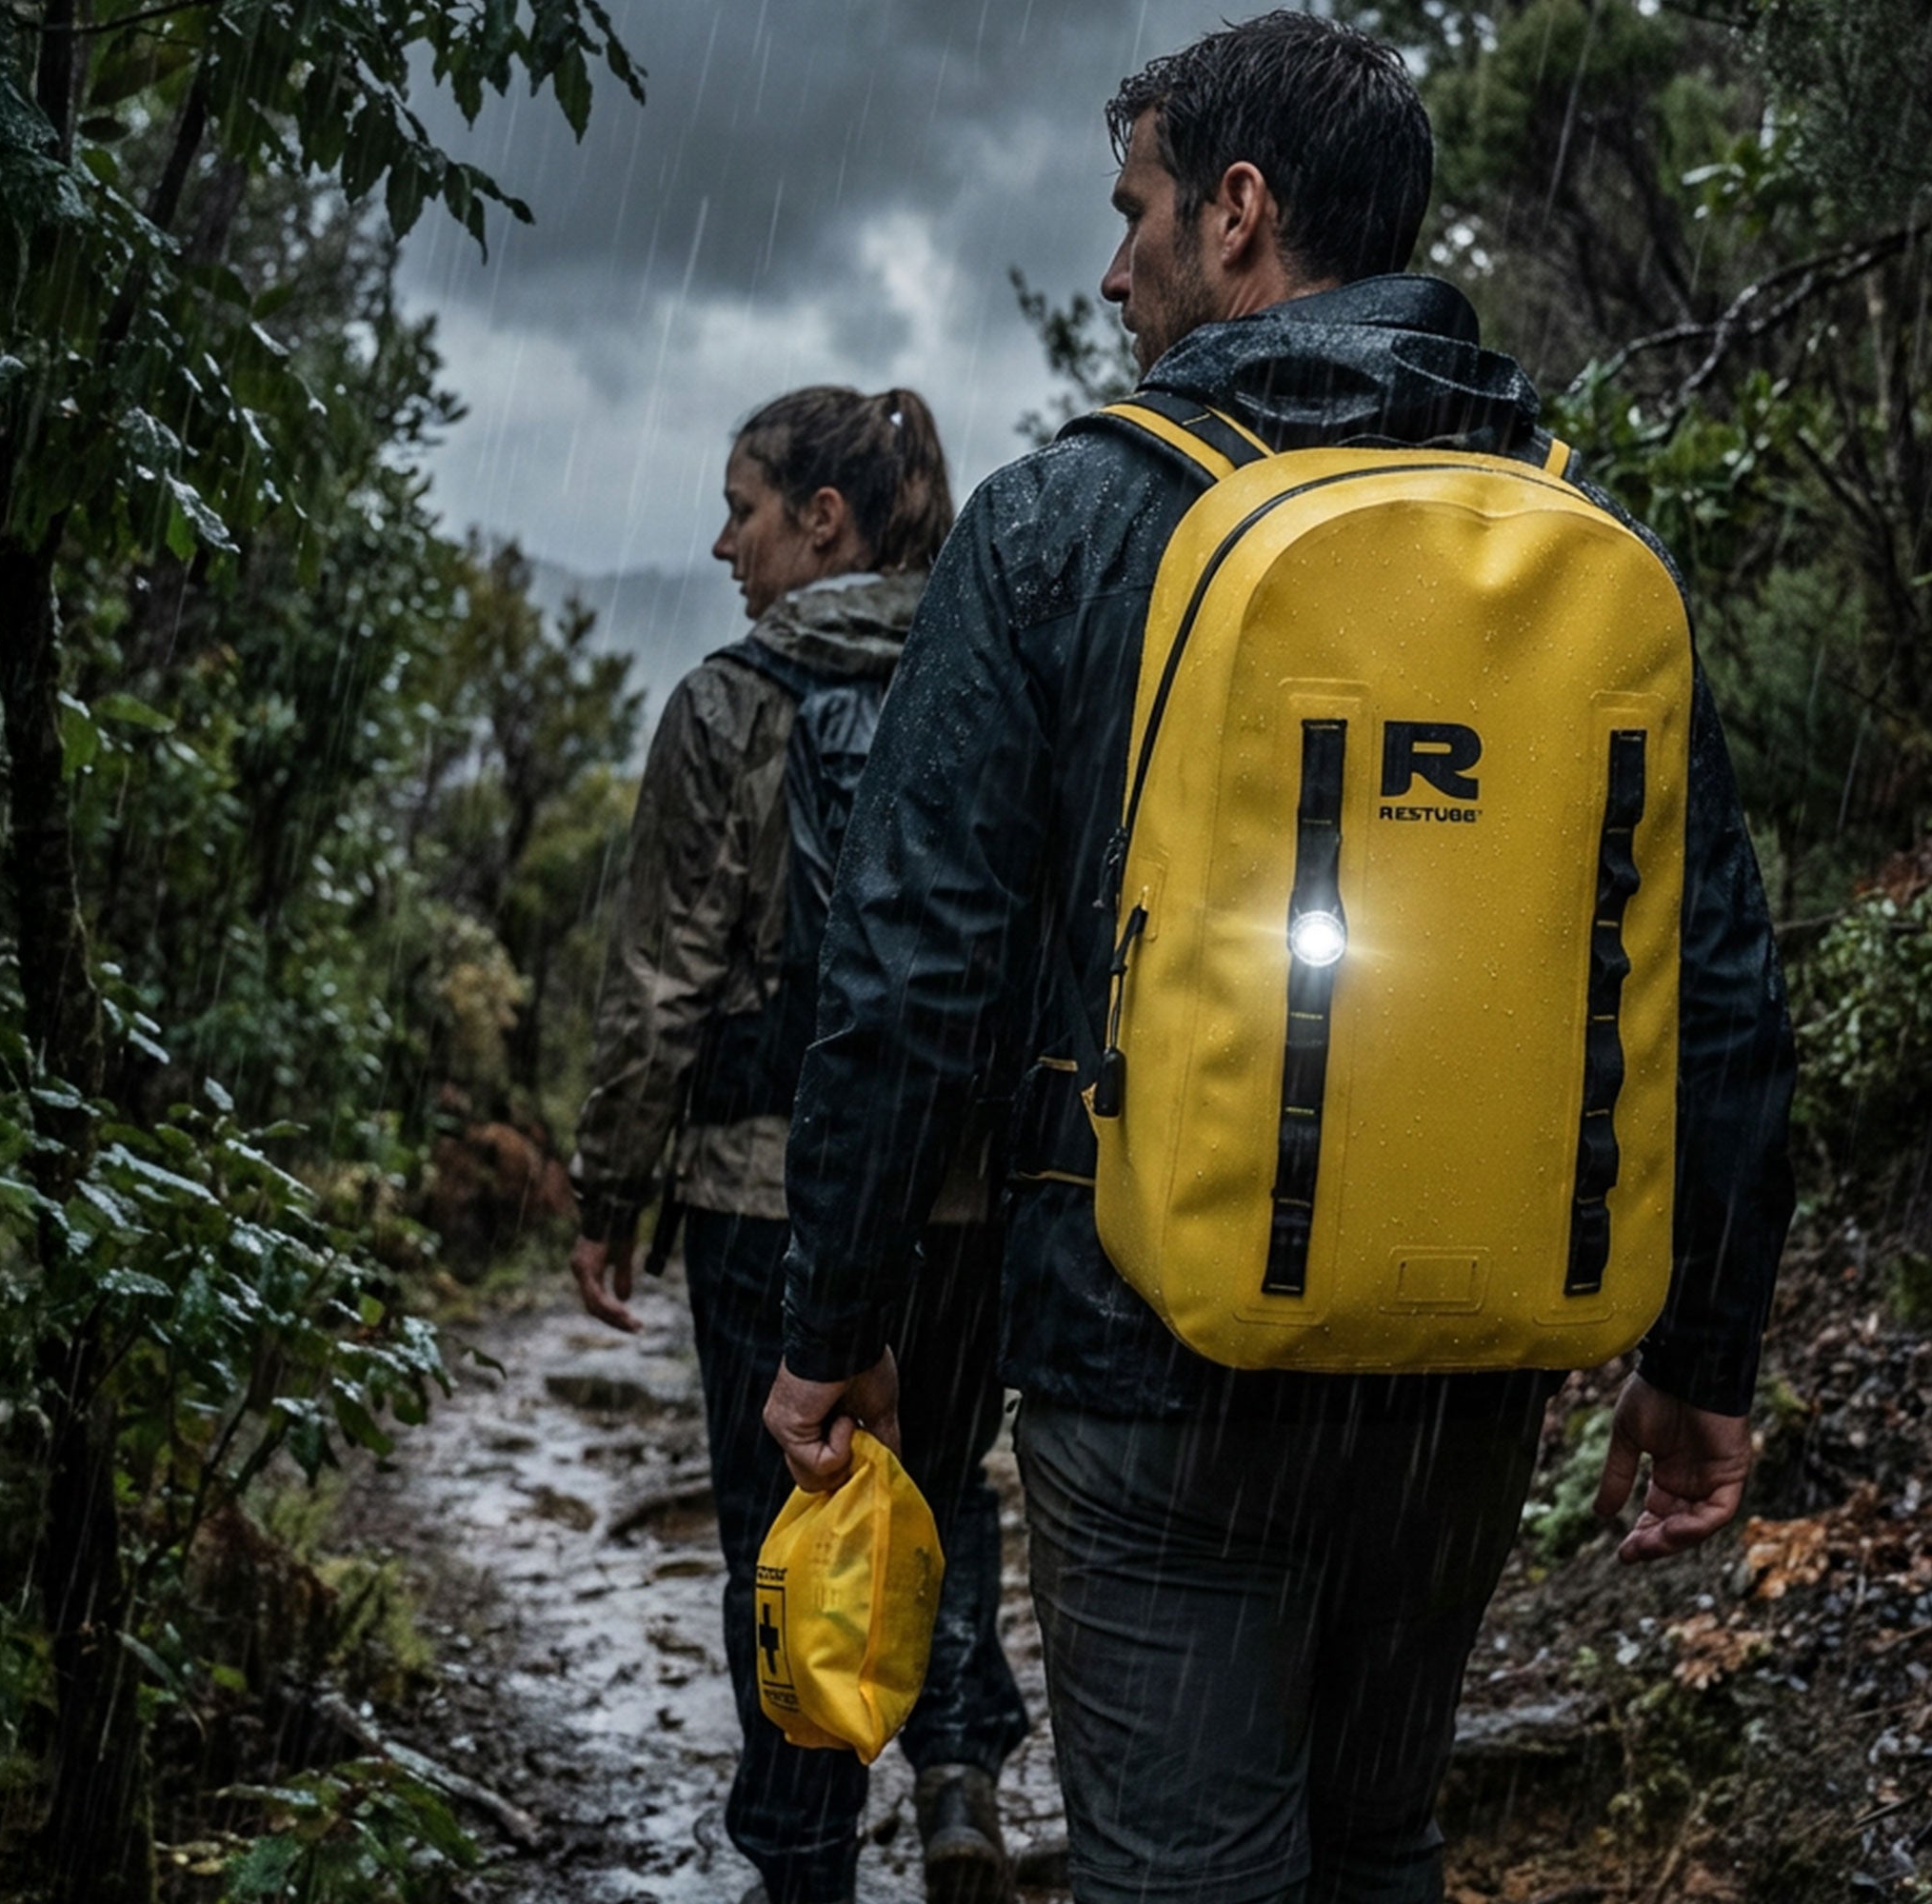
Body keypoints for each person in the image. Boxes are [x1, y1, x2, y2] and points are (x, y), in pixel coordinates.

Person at [762, 15, 1797, 1904]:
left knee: (1188, 1872)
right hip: (1465, 1367)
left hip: (1150, 1357)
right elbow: (1710, 978)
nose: (1114, 268)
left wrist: (835, 1322)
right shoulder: (1579, 534)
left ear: (1235, 213)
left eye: (1135, 211)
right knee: (1376, 1843)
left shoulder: (1065, 523)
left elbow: (908, 970)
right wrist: (1704, 1350)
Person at [568, 385, 1027, 1904]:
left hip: (763, 1189)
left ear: (822, 520)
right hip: (963, 1196)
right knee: (940, 1484)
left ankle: (803, 1851)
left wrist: (609, 1184)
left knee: (785, 1524)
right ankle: (956, 1766)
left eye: (743, 511)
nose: (725, 546)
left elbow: (664, 980)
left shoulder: (728, 704)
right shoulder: (991, 676)